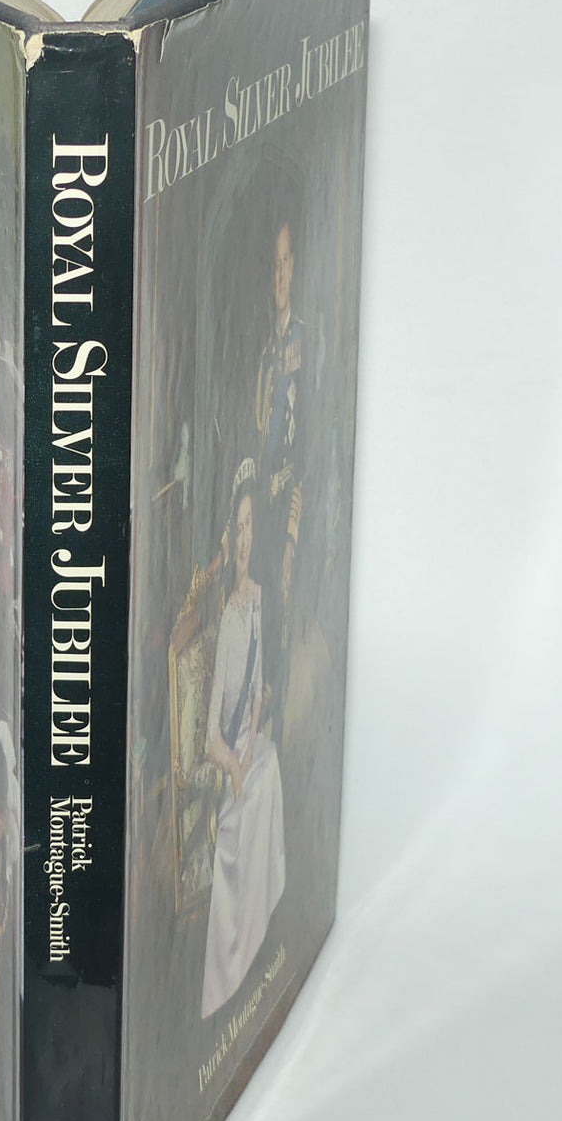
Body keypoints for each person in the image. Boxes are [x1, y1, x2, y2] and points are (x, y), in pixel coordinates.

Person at [201, 460, 285, 1018]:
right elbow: (209, 733)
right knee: (247, 800)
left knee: (270, 766)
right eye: (240, 526)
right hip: (223, 760)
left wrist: (252, 745)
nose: (246, 537)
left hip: (247, 749)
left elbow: (256, 693)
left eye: (253, 524)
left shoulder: (257, 599)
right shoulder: (225, 618)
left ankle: (258, 937)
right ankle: (230, 962)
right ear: (229, 537)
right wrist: (234, 764)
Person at [255, 220, 305, 752]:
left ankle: (281, 740)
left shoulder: (303, 342)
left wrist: (293, 525)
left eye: (287, 263)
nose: (281, 275)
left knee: (283, 611)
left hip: (289, 502)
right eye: (275, 265)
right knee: (261, 609)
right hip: (262, 504)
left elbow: (308, 438)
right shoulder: (267, 348)